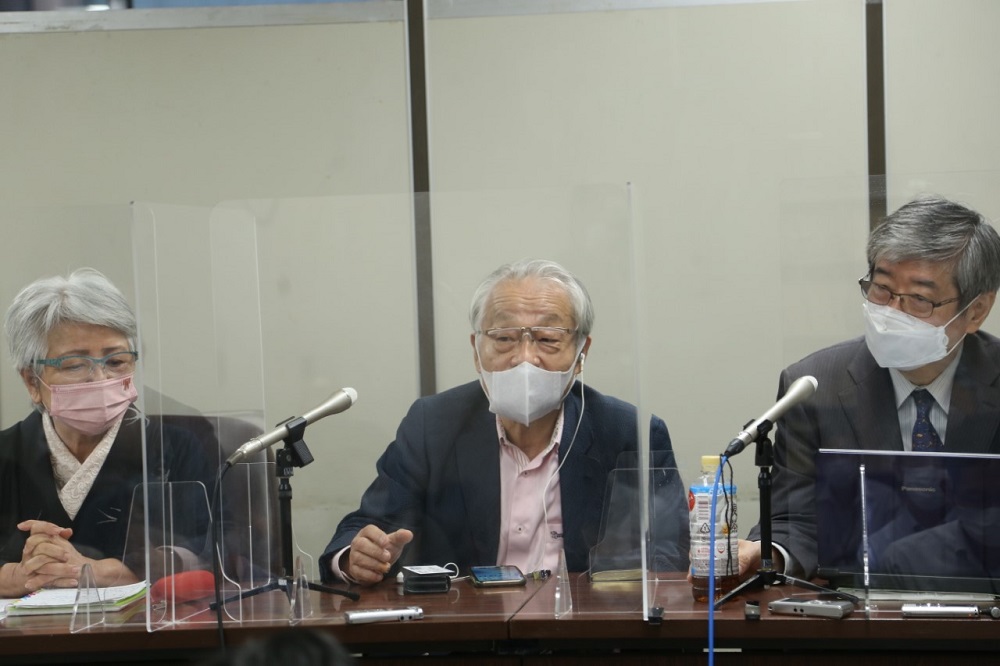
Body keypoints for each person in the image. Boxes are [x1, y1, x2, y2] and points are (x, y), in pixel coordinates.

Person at [320, 259, 688, 585]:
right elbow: (364, 528)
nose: (524, 359)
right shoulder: (433, 425)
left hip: (583, 637)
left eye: (547, 339)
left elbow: (669, 556)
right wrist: (357, 559)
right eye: (504, 338)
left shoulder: (628, 433)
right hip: (467, 638)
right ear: (476, 349)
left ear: (581, 353)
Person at [739, 195, 1000, 581]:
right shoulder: (814, 387)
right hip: (857, 619)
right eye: (881, 289)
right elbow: (795, 520)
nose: (892, 312)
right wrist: (770, 555)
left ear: (976, 311)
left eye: (920, 300)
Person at [0, 268, 212, 597]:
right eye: (74, 364)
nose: (100, 380)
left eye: (116, 361)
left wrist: (107, 571)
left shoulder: (178, 445)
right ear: (32, 381)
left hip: (154, 641)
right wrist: (15, 576)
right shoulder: (5, 454)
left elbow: (223, 548)